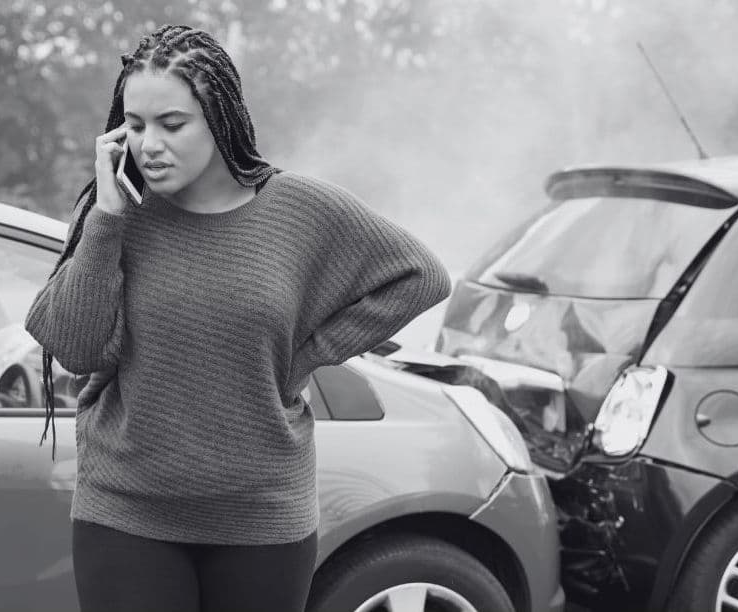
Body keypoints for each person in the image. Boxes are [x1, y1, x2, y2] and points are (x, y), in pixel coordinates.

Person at [23, 23, 452, 612]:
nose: (150, 144)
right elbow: (74, 347)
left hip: (263, 519)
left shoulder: (300, 210)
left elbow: (420, 277)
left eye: (173, 124)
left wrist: (308, 352)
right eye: (137, 125)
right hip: (126, 514)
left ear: (221, 118)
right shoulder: (120, 216)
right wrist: (105, 219)